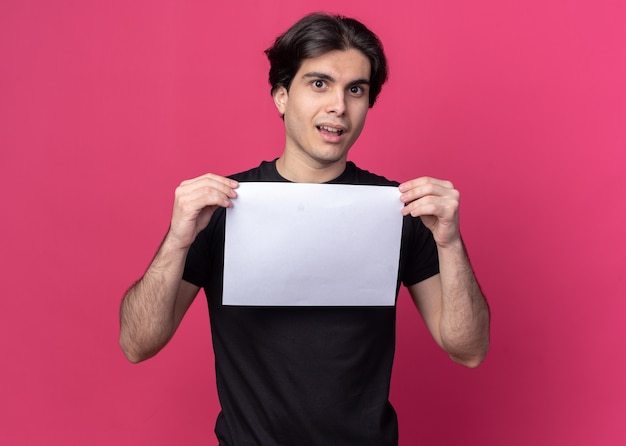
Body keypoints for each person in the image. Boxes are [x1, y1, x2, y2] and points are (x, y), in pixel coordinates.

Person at [119, 12, 490, 445]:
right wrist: (177, 240)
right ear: (281, 96)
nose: (339, 105)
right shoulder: (221, 208)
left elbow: (468, 350)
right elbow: (136, 344)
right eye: (319, 84)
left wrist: (449, 243)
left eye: (356, 90)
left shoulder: (398, 211)